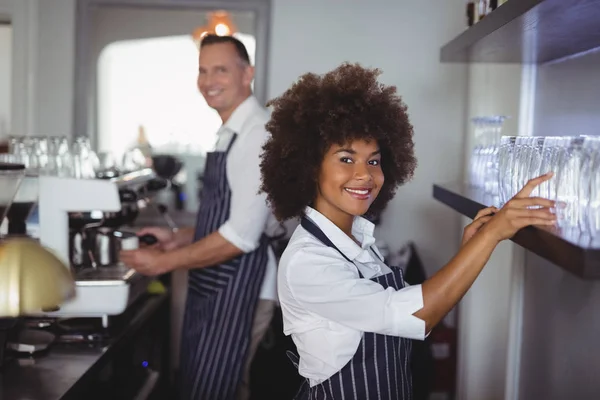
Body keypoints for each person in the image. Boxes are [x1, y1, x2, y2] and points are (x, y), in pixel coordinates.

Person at [258, 63, 556, 400]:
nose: (365, 175)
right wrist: (491, 236)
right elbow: (415, 316)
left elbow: (408, 308)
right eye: (346, 159)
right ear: (311, 167)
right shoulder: (308, 261)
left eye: (374, 160)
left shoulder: (358, 241)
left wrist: (472, 248)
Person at [120, 34, 277, 400]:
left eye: (220, 70)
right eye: (203, 71)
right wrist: (181, 237)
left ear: (247, 73)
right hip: (220, 284)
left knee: (221, 389)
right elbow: (230, 217)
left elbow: (241, 236)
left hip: (243, 287)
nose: (209, 81)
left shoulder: (256, 134)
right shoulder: (230, 132)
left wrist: (163, 263)